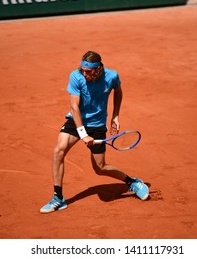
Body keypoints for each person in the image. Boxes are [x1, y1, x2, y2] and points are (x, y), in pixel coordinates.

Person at [40, 51, 149, 213]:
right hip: (77, 121)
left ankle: (132, 182)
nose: (84, 74)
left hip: (97, 125)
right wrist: (83, 134)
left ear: (98, 69)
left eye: (88, 71)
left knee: (100, 168)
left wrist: (115, 115)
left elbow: (118, 91)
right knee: (58, 151)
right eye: (82, 69)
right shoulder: (76, 76)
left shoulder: (111, 76)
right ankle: (58, 197)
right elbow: (74, 107)